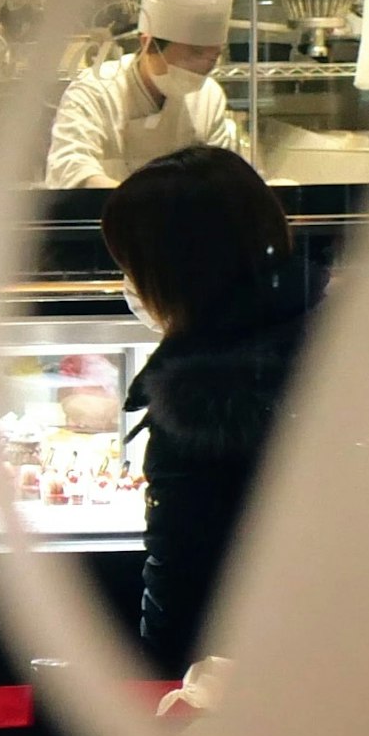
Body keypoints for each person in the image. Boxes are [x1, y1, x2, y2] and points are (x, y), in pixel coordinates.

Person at [102, 144, 314, 673]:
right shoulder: (335, 339)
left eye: (132, 266)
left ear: (171, 273)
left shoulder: (200, 405)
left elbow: (185, 583)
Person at [45, 0, 250, 189]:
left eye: (213, 57)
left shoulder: (209, 98)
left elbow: (226, 181)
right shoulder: (95, 91)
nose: (203, 68)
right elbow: (71, 170)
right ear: (148, 42)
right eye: (194, 54)